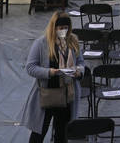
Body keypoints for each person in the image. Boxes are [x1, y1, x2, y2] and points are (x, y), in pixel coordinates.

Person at [23, 11, 86, 143]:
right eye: (60, 28)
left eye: (65, 28)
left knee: (62, 134)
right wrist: (49, 72)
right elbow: (30, 67)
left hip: (67, 95)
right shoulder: (41, 43)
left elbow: (80, 62)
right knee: (38, 134)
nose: (63, 31)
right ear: (54, 28)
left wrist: (78, 72)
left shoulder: (73, 40)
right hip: (47, 95)